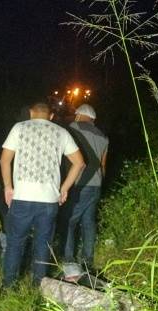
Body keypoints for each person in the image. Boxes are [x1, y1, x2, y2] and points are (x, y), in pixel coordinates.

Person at [0, 102, 85, 287]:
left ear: (31, 113)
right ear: (51, 116)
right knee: (43, 244)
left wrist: (8, 187)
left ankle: (8, 285)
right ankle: (40, 285)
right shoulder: (61, 132)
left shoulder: (19, 128)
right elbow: (79, 163)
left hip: (22, 197)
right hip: (48, 200)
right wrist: (64, 188)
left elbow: (4, 159)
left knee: (15, 243)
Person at [62, 104, 109, 268]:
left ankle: (68, 259)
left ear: (78, 115)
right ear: (93, 119)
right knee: (88, 222)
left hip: (79, 183)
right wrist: (100, 184)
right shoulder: (103, 136)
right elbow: (103, 165)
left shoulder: (72, 129)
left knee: (69, 221)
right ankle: (87, 259)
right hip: (96, 184)